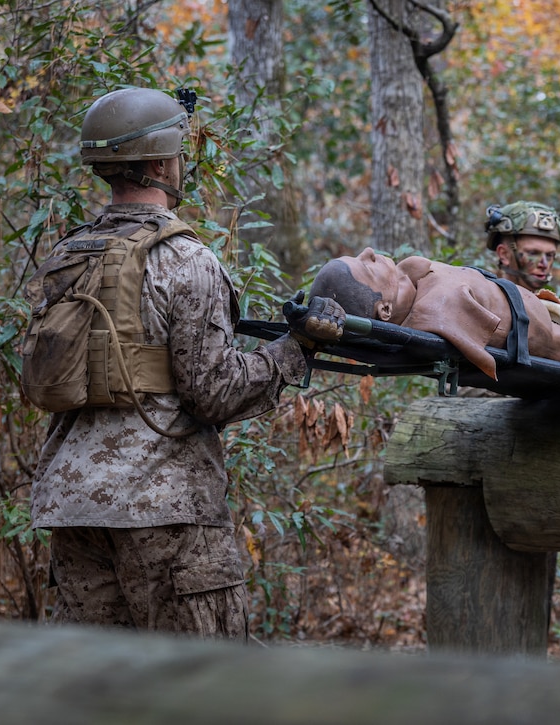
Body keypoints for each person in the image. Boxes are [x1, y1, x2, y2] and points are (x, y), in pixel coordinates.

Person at [23, 88, 339, 638]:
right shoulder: (186, 258)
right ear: (164, 162)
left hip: (72, 508)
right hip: (165, 508)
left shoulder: (67, 255)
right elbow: (212, 391)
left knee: (96, 690)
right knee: (199, 688)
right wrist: (296, 349)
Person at [308, 246, 560, 391]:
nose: (366, 252)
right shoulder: (436, 313)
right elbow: (477, 355)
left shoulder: (415, 288)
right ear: (383, 310)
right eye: (364, 267)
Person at [485, 200, 560, 292]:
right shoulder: (481, 301)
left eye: (549, 255)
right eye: (533, 253)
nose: (544, 265)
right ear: (504, 254)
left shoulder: (551, 305)